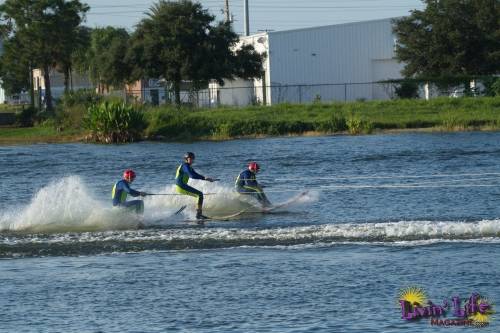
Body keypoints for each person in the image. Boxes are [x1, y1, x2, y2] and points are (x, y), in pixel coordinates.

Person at [175, 152, 215, 219]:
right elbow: (192, 176)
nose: (192, 160)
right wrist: (204, 178)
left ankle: (195, 211)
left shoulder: (189, 167)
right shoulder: (185, 166)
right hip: (181, 186)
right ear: (186, 159)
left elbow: (195, 174)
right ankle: (199, 214)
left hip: (182, 186)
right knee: (200, 195)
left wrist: (206, 178)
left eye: (193, 159)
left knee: (199, 196)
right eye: (190, 159)